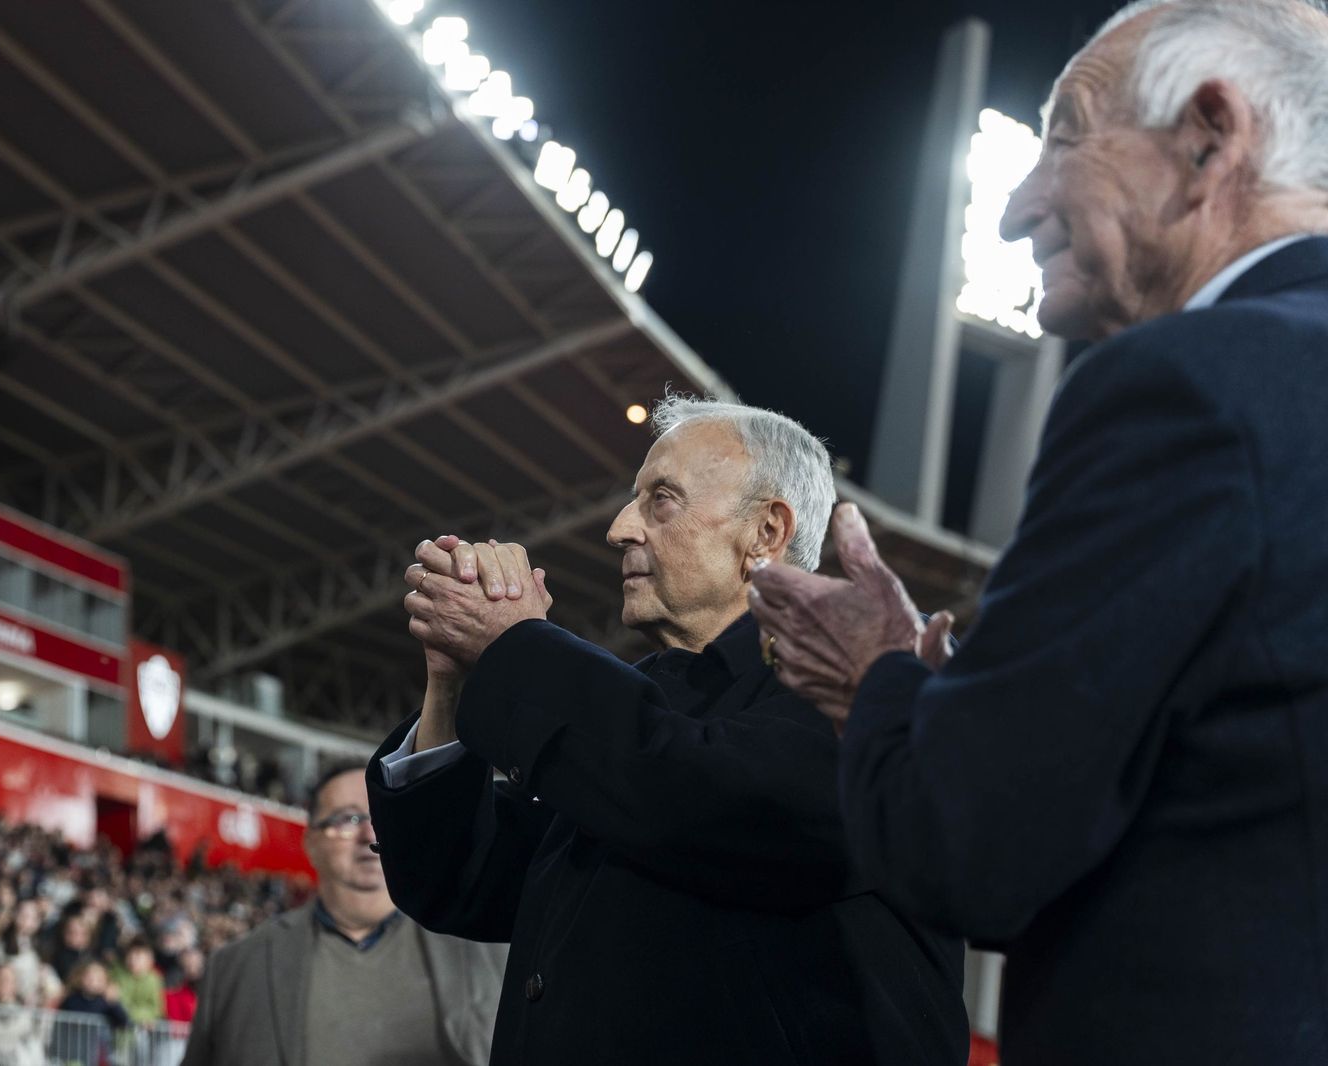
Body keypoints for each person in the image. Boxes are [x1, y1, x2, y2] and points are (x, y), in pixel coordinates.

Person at [747, 1, 1328, 1063]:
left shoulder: (1190, 389)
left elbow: (967, 849)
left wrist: (879, 673)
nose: (1017, 210)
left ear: (1207, 137)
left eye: (1064, 135)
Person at [372, 398, 968, 1065]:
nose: (620, 528)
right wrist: (453, 681)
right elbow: (459, 883)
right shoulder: (646, 711)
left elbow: (711, 800)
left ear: (766, 533)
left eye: (662, 499)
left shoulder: (865, 687)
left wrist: (516, 645)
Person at [182, 765, 507, 1066]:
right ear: (310, 843)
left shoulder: (492, 947)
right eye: (347, 820)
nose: (370, 835)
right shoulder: (235, 968)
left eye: (381, 816)